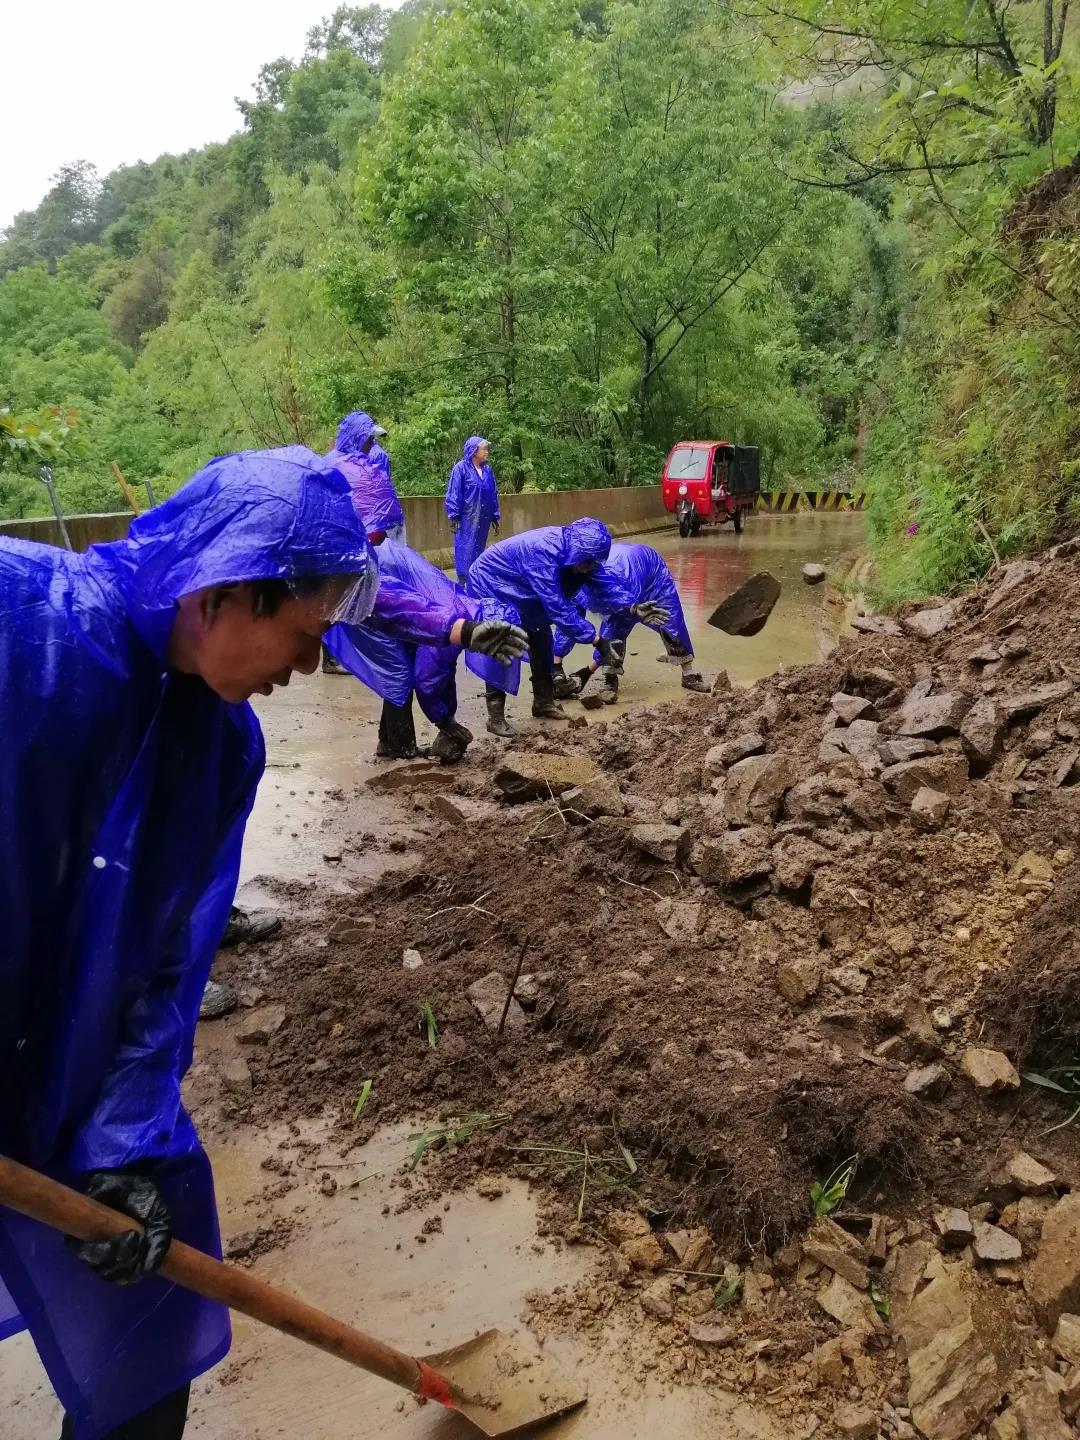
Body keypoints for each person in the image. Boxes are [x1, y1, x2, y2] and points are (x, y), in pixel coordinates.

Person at [0, 447, 380, 1440]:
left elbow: (166, 966)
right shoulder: (21, 618)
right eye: (301, 638)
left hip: (66, 1077)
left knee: (148, 1322)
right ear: (223, 591)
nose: (308, 669)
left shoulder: (220, 745)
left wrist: (119, 1140)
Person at [326, 542, 527, 763]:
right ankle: (398, 747)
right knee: (398, 673)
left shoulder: (463, 606)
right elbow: (428, 679)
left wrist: (447, 715)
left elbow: (443, 671)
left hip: (380, 579)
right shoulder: (457, 619)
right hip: (364, 595)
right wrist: (445, 721)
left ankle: (390, 742)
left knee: (404, 666)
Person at [465, 518, 628, 736]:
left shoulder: (581, 556)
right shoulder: (543, 553)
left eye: (594, 562)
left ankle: (543, 702)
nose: (590, 568)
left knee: (541, 637)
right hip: (491, 584)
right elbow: (558, 608)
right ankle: (495, 716)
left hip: (522, 586)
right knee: (502, 641)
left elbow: (605, 584)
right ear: (578, 552)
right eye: (587, 562)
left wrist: (634, 606)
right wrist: (597, 641)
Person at [552, 541, 710, 702]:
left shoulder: (625, 585)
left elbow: (616, 631)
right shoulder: (577, 585)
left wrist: (588, 671)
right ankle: (609, 678)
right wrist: (556, 664)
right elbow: (568, 621)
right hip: (619, 567)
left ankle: (688, 674)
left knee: (669, 618)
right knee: (606, 623)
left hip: (651, 574)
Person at [329, 409, 405, 545]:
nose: (372, 444)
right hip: (351, 542)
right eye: (369, 439)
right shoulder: (350, 467)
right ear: (356, 438)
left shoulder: (332, 462)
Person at [445, 435, 500, 582]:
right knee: (465, 549)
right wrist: (454, 517)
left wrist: (494, 516)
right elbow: (454, 493)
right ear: (474, 451)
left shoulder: (487, 470)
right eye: (484, 449)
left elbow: (493, 493)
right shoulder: (461, 469)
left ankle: (476, 580)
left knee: (479, 549)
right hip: (466, 519)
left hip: (483, 518)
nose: (487, 451)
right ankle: (463, 580)